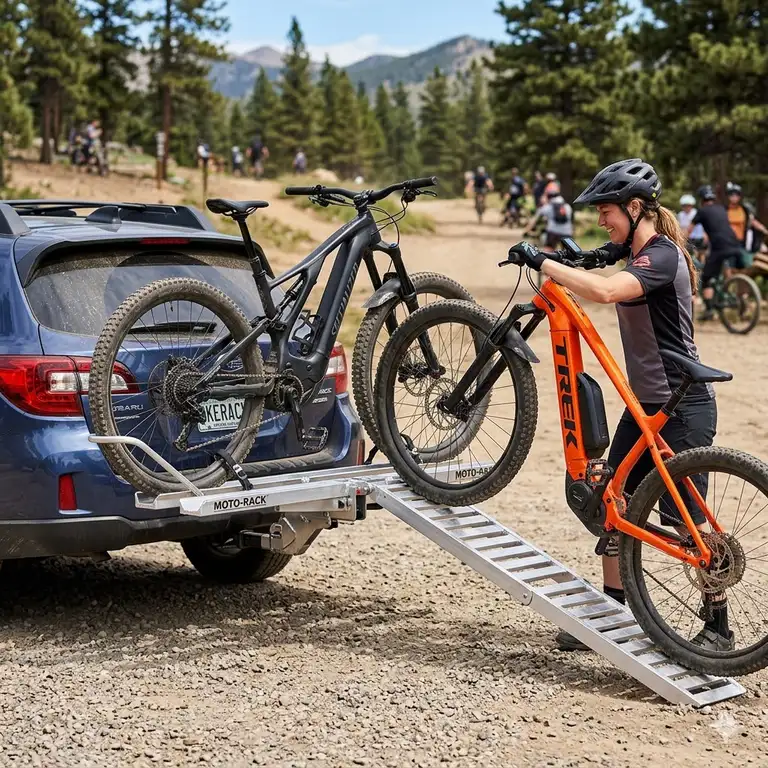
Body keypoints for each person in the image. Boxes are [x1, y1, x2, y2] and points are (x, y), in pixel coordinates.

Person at [512, 158, 728, 653]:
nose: (602, 219)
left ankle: (719, 628)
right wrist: (575, 256)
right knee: (612, 498)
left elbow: (609, 291)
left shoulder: (663, 255)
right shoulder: (637, 248)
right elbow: (603, 262)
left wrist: (539, 261)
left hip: (683, 406)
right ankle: (612, 612)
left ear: (635, 207)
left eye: (607, 211)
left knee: (688, 523)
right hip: (646, 405)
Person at [688, 185, 744, 321]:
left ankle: (709, 310)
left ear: (701, 200)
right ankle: (726, 293)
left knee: (706, 277)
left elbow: (688, 230)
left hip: (720, 248)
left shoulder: (701, 211)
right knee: (717, 271)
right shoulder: (721, 209)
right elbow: (716, 228)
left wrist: (680, 241)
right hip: (735, 245)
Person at [725, 181, 768, 257]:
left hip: (741, 242)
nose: (734, 197)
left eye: (736, 195)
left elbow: (752, 221)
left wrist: (764, 230)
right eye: (732, 195)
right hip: (727, 242)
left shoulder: (744, 210)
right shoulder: (725, 210)